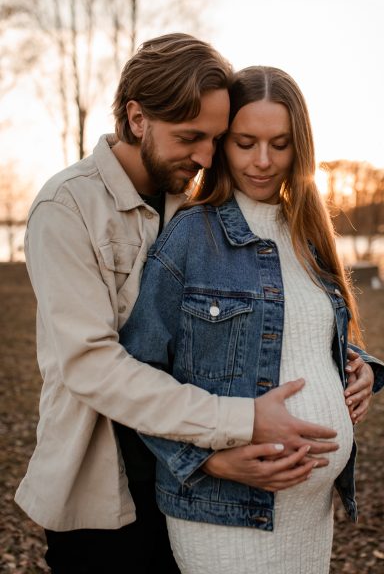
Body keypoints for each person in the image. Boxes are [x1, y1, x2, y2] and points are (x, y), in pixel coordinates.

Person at [15, 35, 365, 574]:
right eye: (190, 137)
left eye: (215, 138)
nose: (206, 156)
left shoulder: (194, 200)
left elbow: (277, 314)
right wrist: (238, 424)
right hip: (105, 489)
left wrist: (351, 365)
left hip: (188, 489)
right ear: (137, 118)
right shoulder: (67, 208)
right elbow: (93, 366)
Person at [119, 65, 384, 574]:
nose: (263, 162)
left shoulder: (305, 235)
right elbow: (136, 375)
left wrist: (360, 367)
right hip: (226, 511)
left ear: (300, 148)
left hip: (310, 513)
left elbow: (299, 335)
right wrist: (206, 462)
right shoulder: (190, 238)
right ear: (222, 144)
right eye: (245, 143)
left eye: (280, 144)